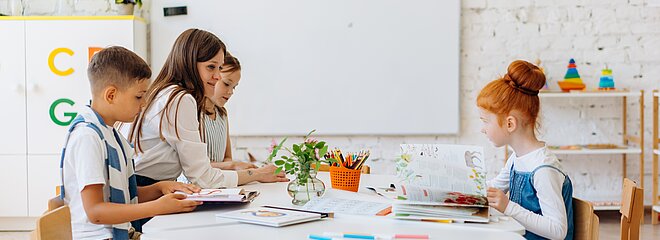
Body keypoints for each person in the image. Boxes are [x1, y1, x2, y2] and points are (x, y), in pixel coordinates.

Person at [61, 46, 202, 240]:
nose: (143, 104)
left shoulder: (110, 134)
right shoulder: (88, 137)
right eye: (138, 96)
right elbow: (96, 212)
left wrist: (158, 188)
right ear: (111, 95)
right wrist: (157, 207)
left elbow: (122, 195)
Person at [126, 28, 288, 188]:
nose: (217, 77)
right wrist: (258, 174)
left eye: (219, 68)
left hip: (146, 186)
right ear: (188, 63)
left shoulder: (165, 92)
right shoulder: (181, 99)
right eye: (211, 67)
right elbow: (203, 178)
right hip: (147, 189)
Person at [478, 60, 574, 240]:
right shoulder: (517, 158)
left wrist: (507, 206)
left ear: (509, 123)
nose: (482, 129)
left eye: (485, 121)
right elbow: (494, 187)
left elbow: (558, 230)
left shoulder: (543, 169)